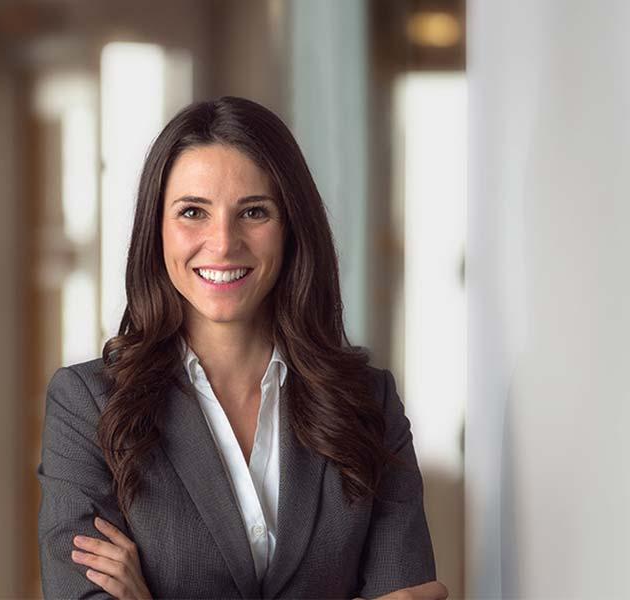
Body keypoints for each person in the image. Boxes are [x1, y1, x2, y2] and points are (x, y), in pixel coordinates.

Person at [37, 96, 448, 599]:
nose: (223, 242)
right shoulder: (88, 405)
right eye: (192, 212)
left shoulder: (370, 403)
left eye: (253, 212)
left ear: (291, 227)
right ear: (156, 228)